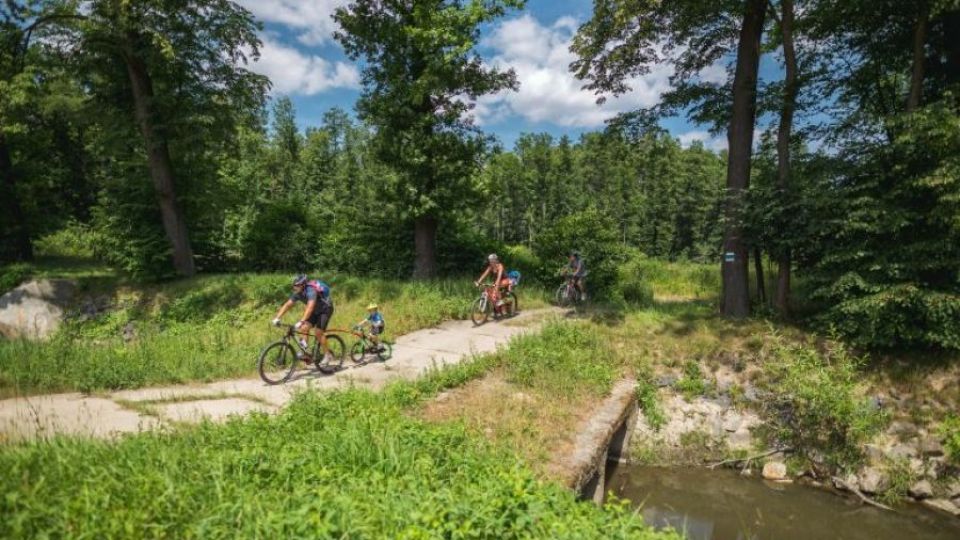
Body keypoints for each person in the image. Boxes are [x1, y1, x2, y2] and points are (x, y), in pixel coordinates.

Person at [272, 274, 335, 363]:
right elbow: (287, 305)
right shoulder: (297, 293)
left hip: (325, 309)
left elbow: (310, 307)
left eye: (297, 285)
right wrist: (277, 318)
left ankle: (328, 354)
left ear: (303, 284)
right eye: (294, 285)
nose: (295, 287)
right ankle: (306, 353)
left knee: (318, 332)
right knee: (303, 328)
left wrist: (302, 320)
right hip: (315, 311)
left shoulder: (311, 290)